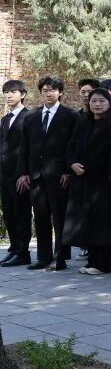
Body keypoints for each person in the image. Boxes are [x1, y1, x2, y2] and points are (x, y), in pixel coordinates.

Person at [18, 76, 78, 270]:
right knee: (41, 217)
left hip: (59, 175)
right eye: (45, 90)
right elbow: (24, 146)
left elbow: (73, 146)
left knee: (59, 217)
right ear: (40, 92)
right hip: (36, 175)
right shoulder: (31, 116)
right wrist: (23, 172)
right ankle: (43, 257)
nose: (49, 93)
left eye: (53, 90)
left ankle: (60, 258)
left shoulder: (70, 115)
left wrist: (69, 171)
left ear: (60, 92)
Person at [63, 89, 111, 275]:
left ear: (109, 103)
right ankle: (92, 261)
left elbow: (106, 151)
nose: (97, 104)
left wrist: (85, 165)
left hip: (102, 181)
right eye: (94, 101)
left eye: (102, 101)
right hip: (82, 180)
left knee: (103, 222)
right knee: (87, 221)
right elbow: (70, 145)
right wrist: (72, 163)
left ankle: (104, 263)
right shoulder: (83, 122)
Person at [0, 80, 31, 267]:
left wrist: (24, 173)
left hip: (20, 175)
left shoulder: (29, 117)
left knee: (21, 213)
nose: (9, 95)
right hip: (4, 175)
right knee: (9, 214)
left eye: (13, 92)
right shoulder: (5, 119)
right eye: (6, 92)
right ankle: (13, 248)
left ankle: (23, 252)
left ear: (23, 94)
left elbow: (30, 148)